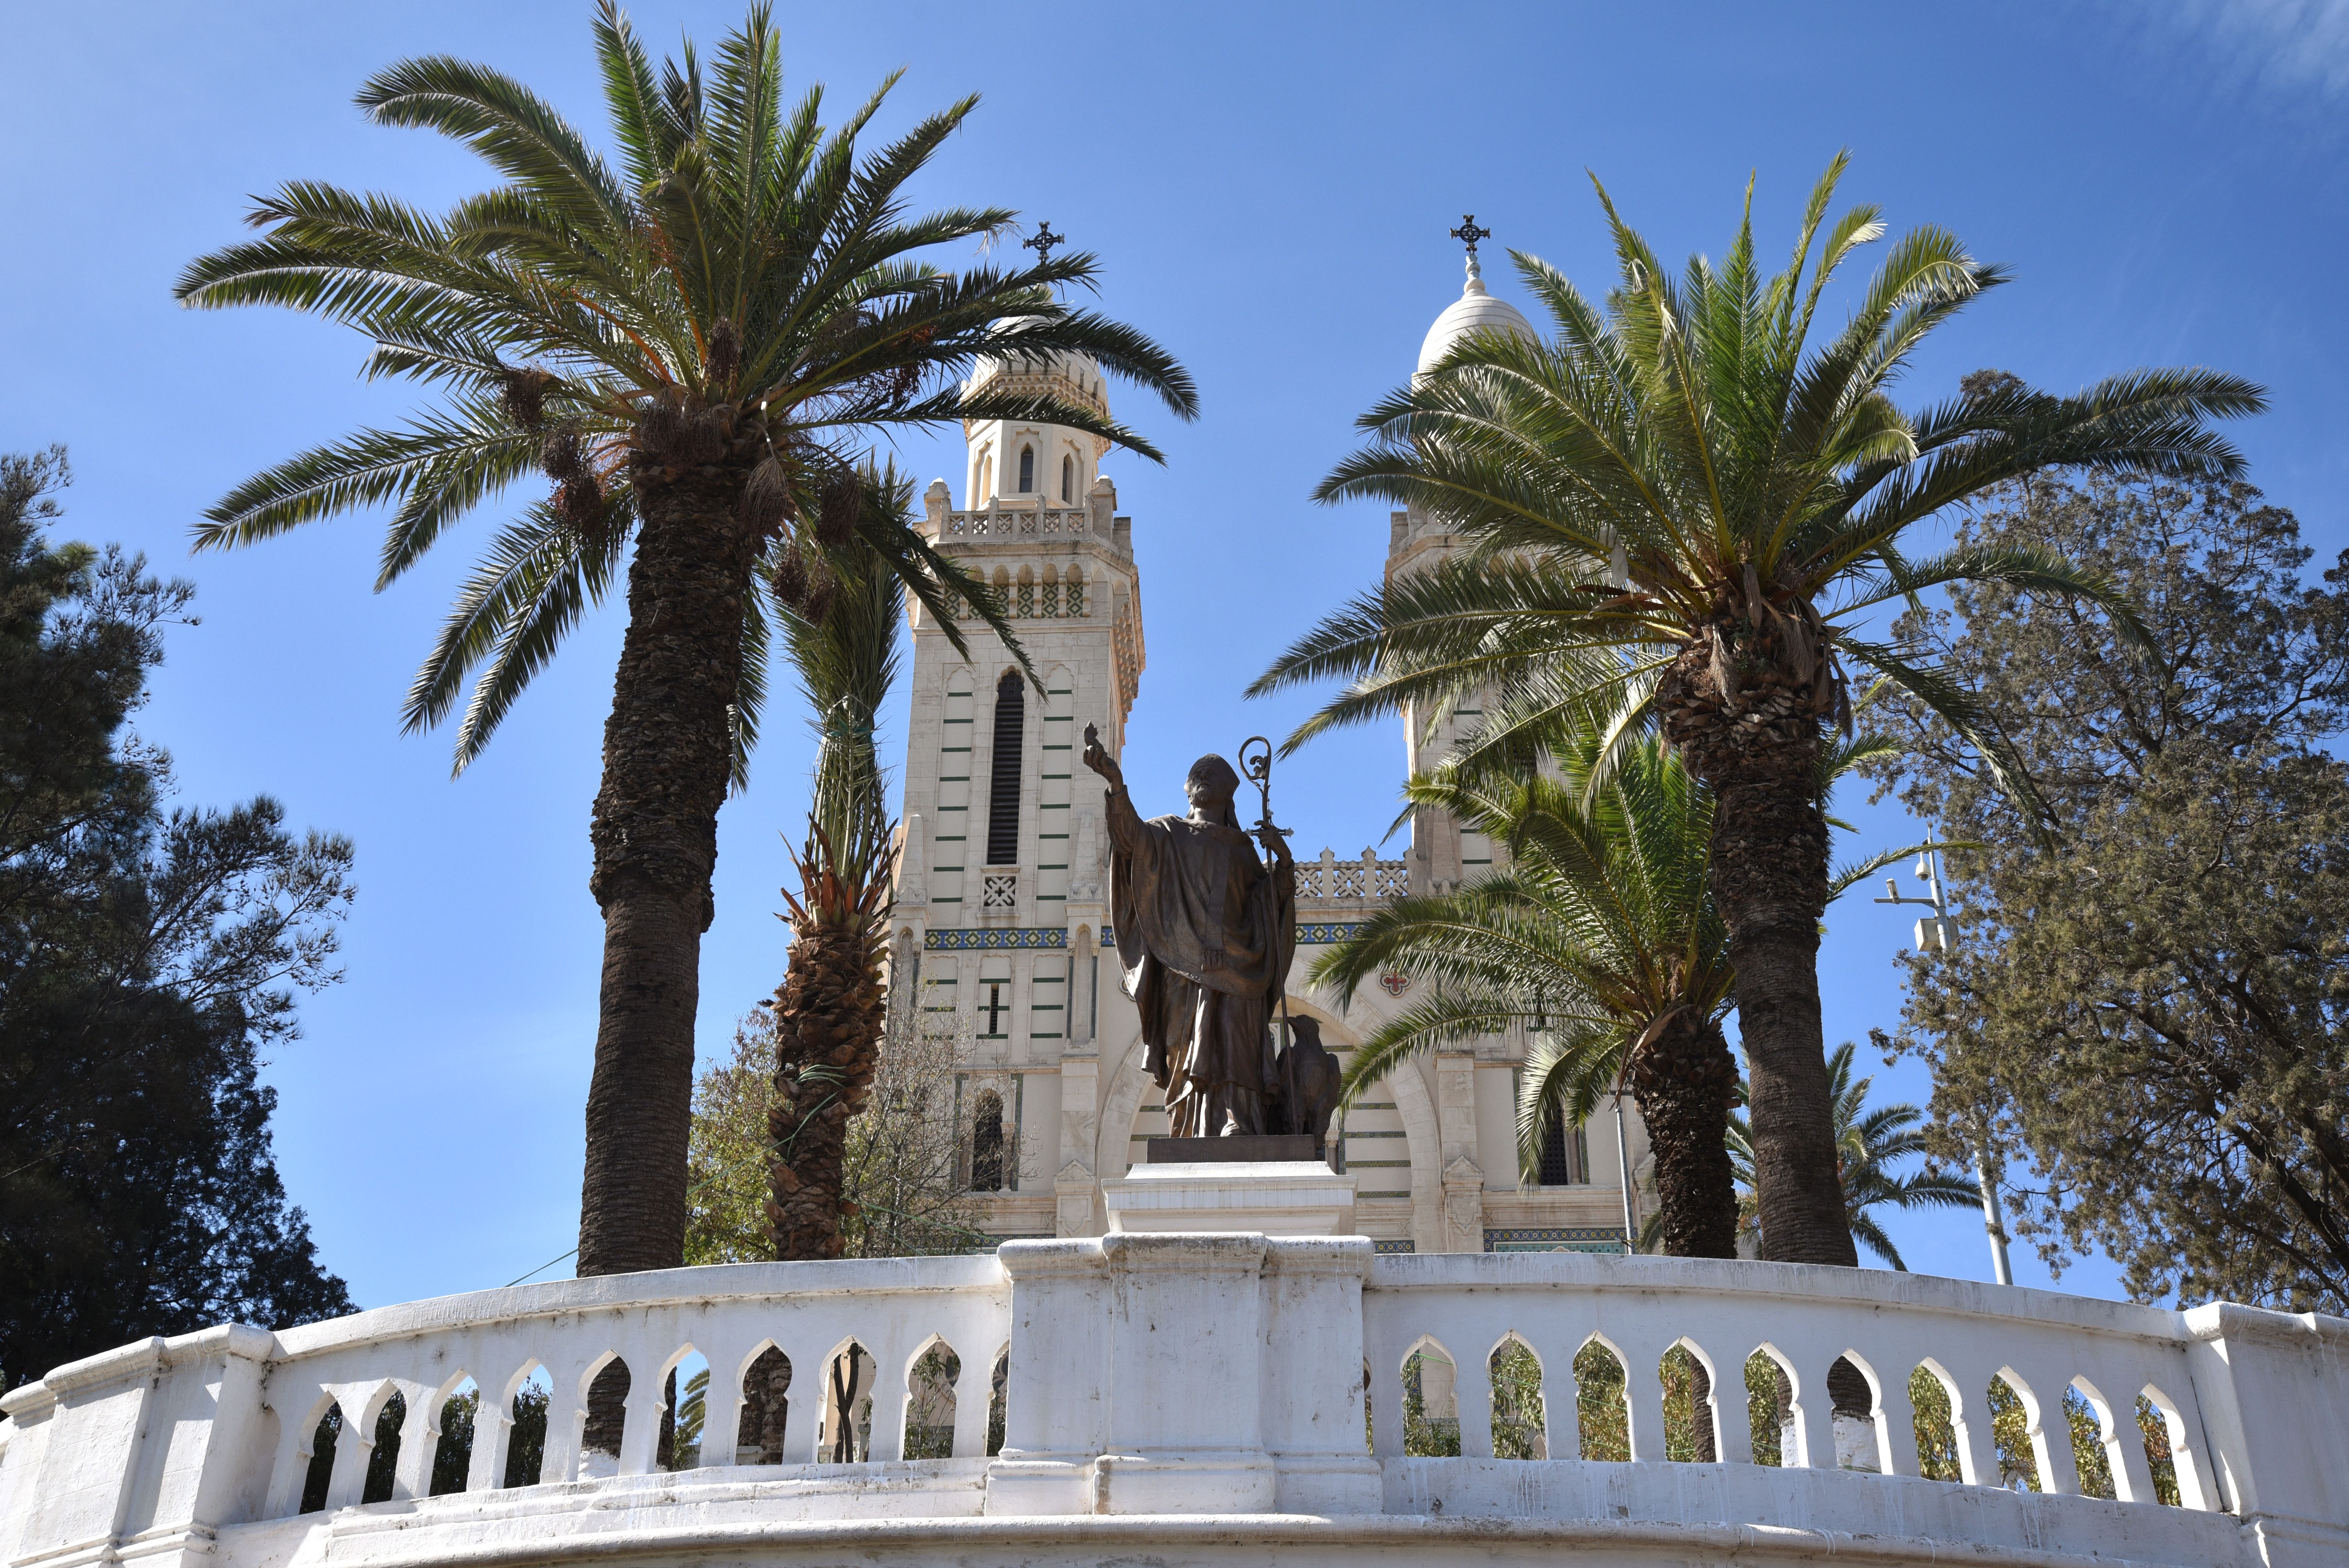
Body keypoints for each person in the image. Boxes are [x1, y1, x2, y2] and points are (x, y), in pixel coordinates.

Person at [1083, 725, 1295, 1137]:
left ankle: (1237, 1120)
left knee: (1236, 1043)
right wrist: (1116, 784)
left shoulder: (1243, 849)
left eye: (1209, 774)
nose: (1200, 779)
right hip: (1182, 967)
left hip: (1238, 968)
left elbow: (1269, 902)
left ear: (1227, 793)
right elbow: (1129, 839)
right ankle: (1188, 1129)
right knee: (1186, 1051)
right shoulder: (1167, 833)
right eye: (1196, 774)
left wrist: (1282, 860)